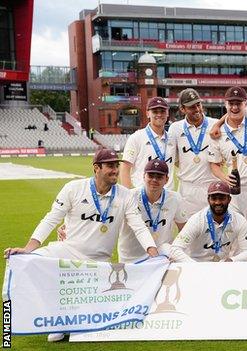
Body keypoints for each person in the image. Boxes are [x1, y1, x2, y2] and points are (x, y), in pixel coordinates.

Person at [3, 148, 159, 343]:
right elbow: (51, 219)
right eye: (110, 166)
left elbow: (138, 226)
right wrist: (28, 248)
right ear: (96, 168)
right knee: (30, 260)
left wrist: (153, 252)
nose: (115, 170)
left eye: (116, 165)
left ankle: (68, 321)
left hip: (98, 260)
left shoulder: (126, 196)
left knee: (92, 318)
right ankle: (45, 318)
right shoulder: (73, 188)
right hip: (68, 250)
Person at [208, 86, 247, 260]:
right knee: (232, 238)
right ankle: (233, 277)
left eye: (238, 104)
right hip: (234, 194)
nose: (235, 107)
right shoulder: (216, 134)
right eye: (231, 103)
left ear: (245, 104)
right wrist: (224, 178)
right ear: (226, 104)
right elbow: (214, 165)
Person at [117, 159, 187, 263]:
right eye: (150, 175)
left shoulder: (175, 198)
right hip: (131, 257)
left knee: (175, 254)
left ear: (166, 179)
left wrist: (179, 249)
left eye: (159, 177)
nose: (154, 180)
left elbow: (184, 229)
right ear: (143, 176)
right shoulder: (129, 196)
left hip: (162, 254)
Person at [169, 181, 247, 262]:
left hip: (223, 267)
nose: (217, 202)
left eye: (221, 198)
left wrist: (232, 260)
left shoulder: (239, 220)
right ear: (208, 200)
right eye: (214, 198)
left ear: (229, 199)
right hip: (198, 266)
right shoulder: (197, 220)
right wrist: (194, 266)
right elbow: (175, 249)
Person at [168, 88, 219, 216]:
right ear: (182, 109)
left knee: (212, 231)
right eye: (191, 107)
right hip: (187, 189)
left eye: (198, 104)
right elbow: (172, 158)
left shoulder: (215, 125)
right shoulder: (175, 128)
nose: (197, 109)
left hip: (211, 187)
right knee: (187, 232)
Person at [120, 96, 176, 190]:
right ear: (147, 114)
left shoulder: (172, 139)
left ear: (167, 114)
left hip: (167, 197)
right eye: (155, 111)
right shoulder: (137, 137)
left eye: (162, 111)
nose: (159, 114)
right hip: (143, 196)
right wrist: (128, 194)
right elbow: (125, 167)